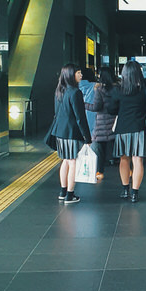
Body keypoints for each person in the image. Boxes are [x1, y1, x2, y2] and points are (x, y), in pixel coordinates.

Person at [48, 63, 91, 204]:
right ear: (71, 75)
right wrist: (87, 137)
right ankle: (70, 195)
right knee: (73, 162)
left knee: (65, 161)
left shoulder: (60, 91)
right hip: (71, 132)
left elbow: (56, 113)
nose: (81, 75)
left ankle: (63, 191)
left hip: (59, 132)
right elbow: (80, 117)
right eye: (78, 73)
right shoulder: (75, 92)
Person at [109, 60, 146, 202]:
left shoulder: (118, 91)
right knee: (138, 160)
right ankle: (135, 192)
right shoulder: (143, 91)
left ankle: (125, 189)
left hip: (122, 129)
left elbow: (111, 109)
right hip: (138, 128)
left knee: (124, 159)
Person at [90, 67, 117, 179]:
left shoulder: (99, 90)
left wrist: (85, 105)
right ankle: (115, 162)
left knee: (99, 146)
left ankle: (100, 171)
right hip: (114, 121)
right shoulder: (117, 88)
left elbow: (96, 106)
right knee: (112, 144)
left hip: (101, 123)